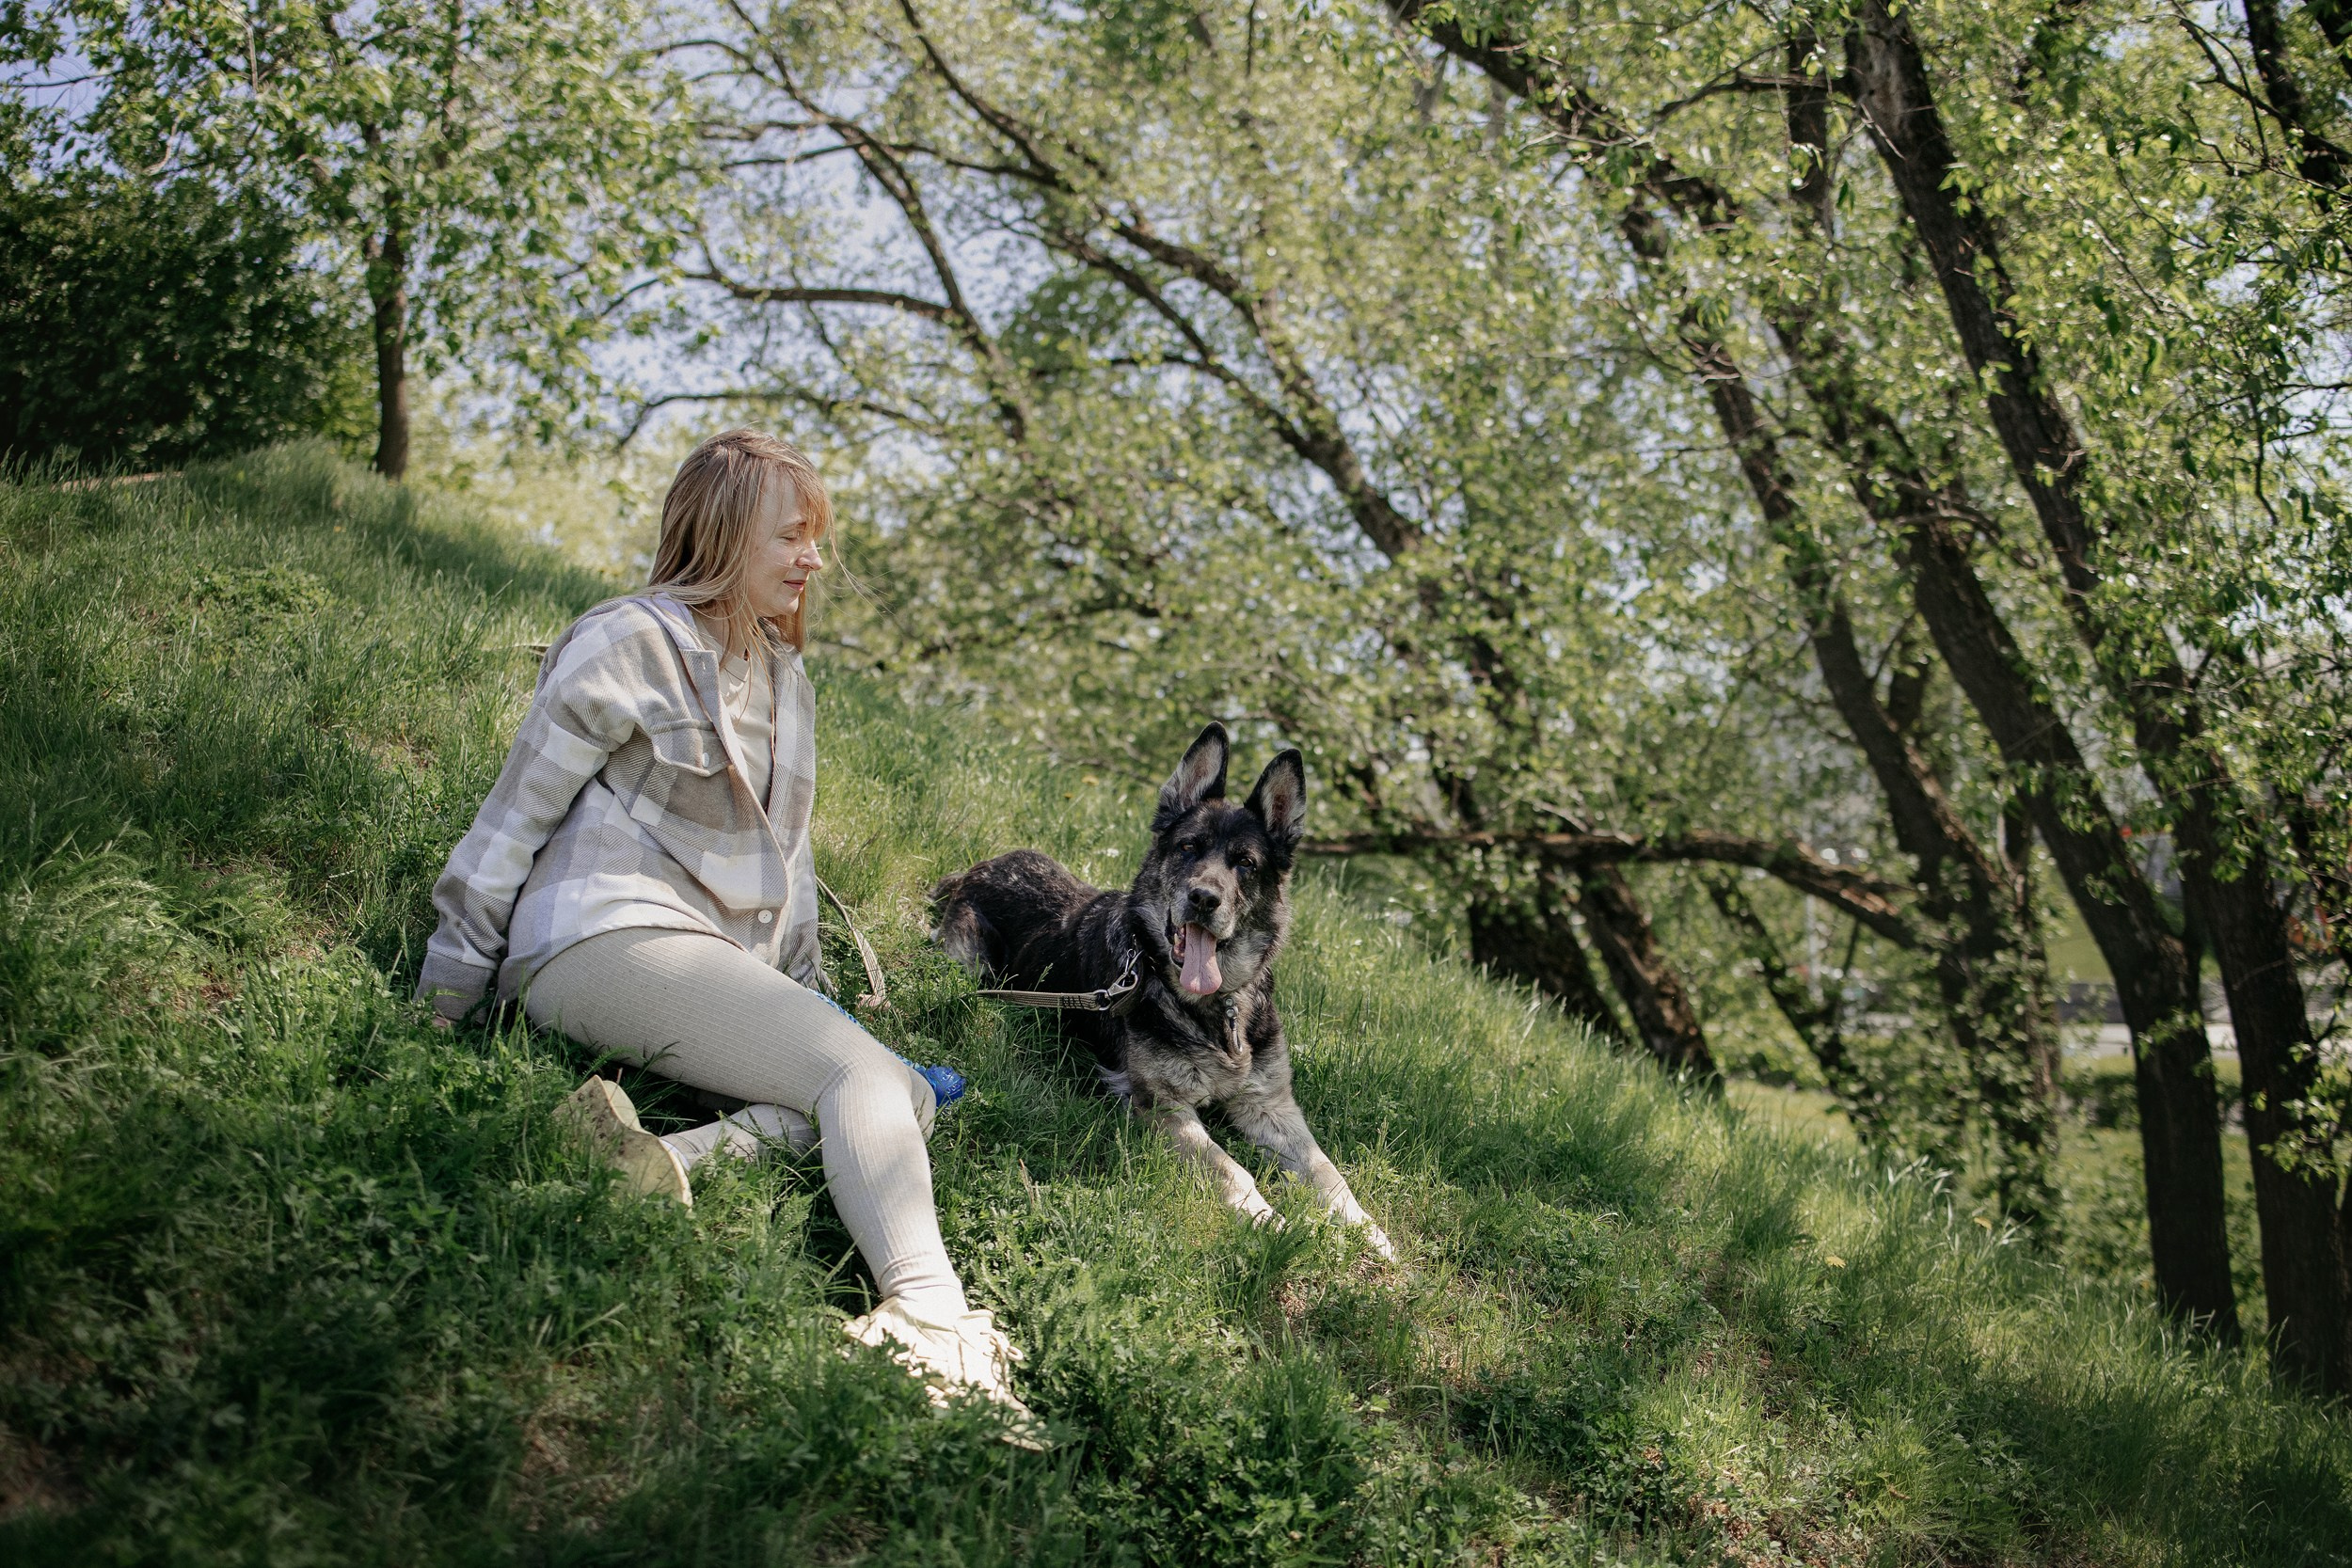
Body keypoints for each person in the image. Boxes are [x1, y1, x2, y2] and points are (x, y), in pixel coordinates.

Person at [415, 429, 1034, 1435]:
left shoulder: (790, 684)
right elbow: (512, 819)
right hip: (593, 934)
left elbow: (783, 875)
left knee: (899, 1093)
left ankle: (674, 1157)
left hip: (702, 968)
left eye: (817, 538)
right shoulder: (627, 639)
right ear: (724, 527)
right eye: (793, 534)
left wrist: (822, 1011)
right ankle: (932, 1317)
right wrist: (442, 999)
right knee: (866, 1082)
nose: (813, 559)